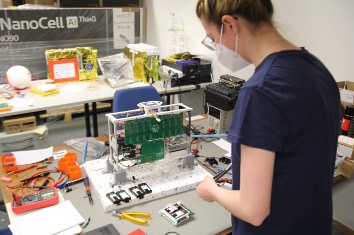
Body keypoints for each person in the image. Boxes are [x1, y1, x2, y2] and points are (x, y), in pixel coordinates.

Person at [195, 0, 341, 234]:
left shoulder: (261, 91)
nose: (216, 46)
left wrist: (211, 190)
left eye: (212, 39)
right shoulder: (317, 70)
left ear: (229, 24)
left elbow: (253, 210)